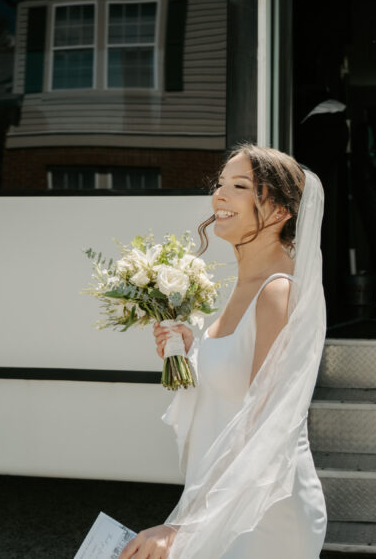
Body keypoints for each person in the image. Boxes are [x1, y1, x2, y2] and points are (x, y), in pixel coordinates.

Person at [120, 144, 327, 559]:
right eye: (219, 184)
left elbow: (262, 423)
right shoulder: (242, 286)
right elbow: (234, 385)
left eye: (240, 186)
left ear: (281, 211)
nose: (220, 195)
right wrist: (190, 352)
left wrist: (183, 523)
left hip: (266, 512)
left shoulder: (277, 292)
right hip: (231, 497)